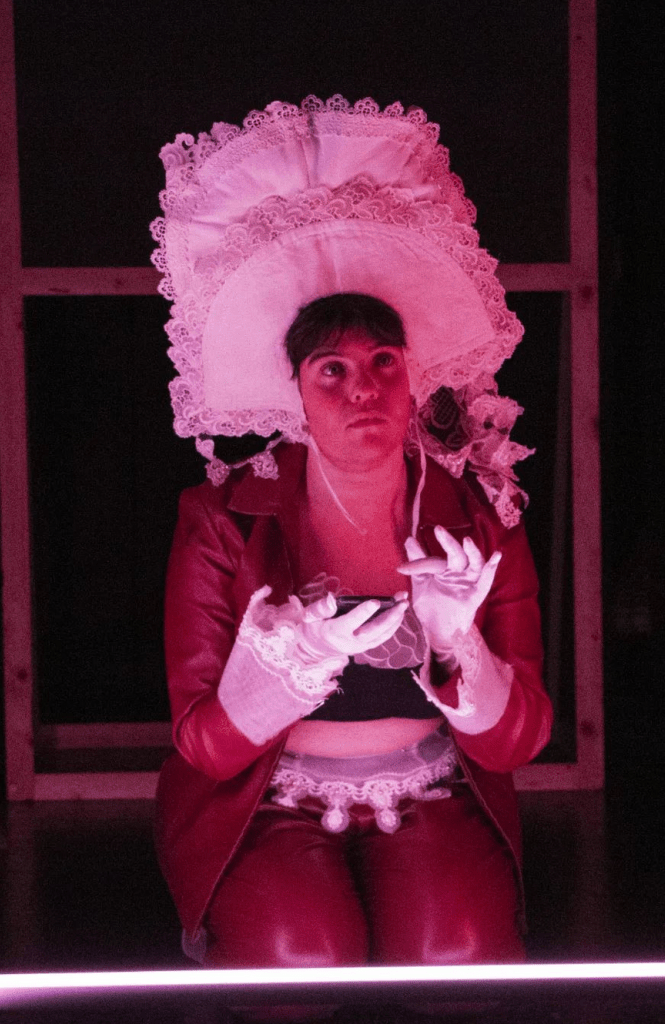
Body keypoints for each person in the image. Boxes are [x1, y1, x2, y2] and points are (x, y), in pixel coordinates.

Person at [151, 96, 553, 968]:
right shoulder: (220, 520)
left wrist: (456, 645)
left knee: (457, 955)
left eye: (382, 362)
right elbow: (203, 746)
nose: (362, 388)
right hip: (266, 802)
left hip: (434, 791)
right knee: (299, 957)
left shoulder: (481, 514)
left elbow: (519, 739)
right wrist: (284, 664)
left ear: (414, 377)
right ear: (293, 390)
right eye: (331, 368)